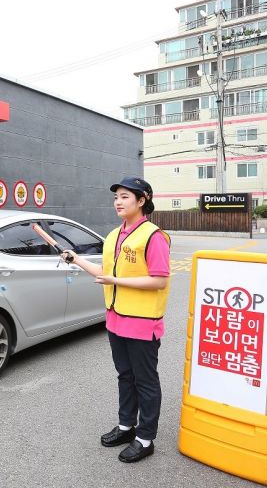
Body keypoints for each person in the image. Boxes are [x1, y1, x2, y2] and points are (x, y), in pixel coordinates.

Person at [36, 177, 170, 463]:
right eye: (116, 198)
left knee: (145, 382)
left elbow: (159, 280)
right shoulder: (114, 236)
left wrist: (116, 280)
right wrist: (75, 259)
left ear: (142, 200)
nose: (118, 202)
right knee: (125, 376)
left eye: (124, 197)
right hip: (116, 320)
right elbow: (102, 271)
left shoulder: (153, 236)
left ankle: (145, 438)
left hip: (143, 323)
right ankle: (126, 426)